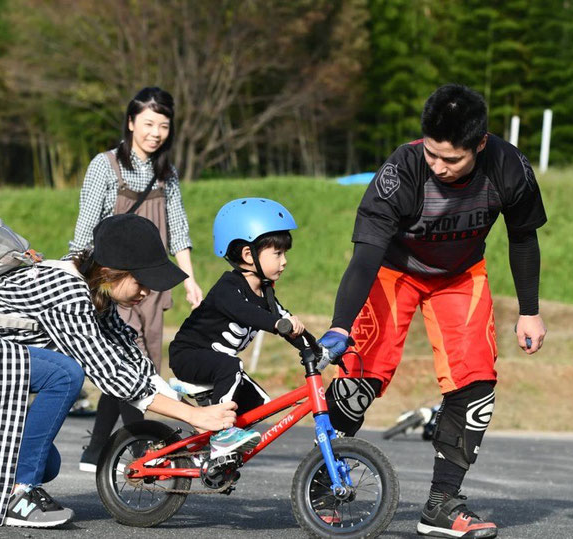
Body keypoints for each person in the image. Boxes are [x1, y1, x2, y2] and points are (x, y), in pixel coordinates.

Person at [0, 214, 237, 529]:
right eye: (142, 281)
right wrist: (196, 417)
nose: (148, 292)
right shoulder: (68, 291)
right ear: (110, 271)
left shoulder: (97, 292)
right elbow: (111, 373)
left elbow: (131, 358)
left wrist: (192, 413)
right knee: (66, 374)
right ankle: (19, 495)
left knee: (47, 464)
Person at [317, 84, 548, 539]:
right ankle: (325, 487)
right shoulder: (401, 171)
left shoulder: (508, 167)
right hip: (394, 270)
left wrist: (530, 310)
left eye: (452, 159)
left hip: (460, 275)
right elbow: (365, 255)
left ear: (480, 145)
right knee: (359, 376)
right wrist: (340, 325)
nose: (439, 167)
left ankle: (442, 506)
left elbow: (523, 237)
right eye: (433, 154)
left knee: (477, 385)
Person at [69, 87, 204, 472]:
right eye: (148, 123)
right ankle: (146, 451)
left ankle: (96, 452)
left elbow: (178, 229)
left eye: (163, 125)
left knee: (143, 364)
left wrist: (190, 280)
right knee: (130, 362)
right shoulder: (105, 165)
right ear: (130, 123)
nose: (155, 132)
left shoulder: (167, 174)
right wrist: (80, 276)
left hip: (153, 285)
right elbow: (86, 228)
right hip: (115, 284)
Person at [168, 198, 306, 456]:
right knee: (231, 366)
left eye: (285, 253)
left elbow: (283, 318)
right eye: (278, 253)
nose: (284, 261)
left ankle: (210, 448)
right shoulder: (228, 289)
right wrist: (277, 323)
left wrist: (315, 348)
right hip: (188, 355)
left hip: (215, 362)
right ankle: (221, 435)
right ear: (247, 255)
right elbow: (248, 313)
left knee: (260, 404)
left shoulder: (265, 292)